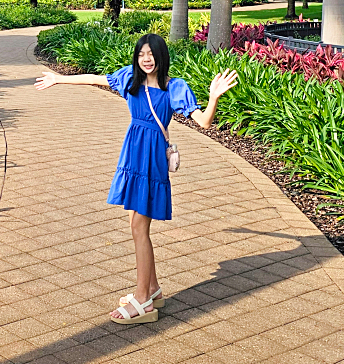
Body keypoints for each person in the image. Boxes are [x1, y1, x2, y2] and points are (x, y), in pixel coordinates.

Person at [34, 32, 238, 324]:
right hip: (133, 153)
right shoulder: (130, 78)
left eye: (151, 54)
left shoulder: (174, 88)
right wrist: (59, 78)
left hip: (151, 159)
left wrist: (213, 98)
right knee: (134, 222)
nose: (146, 59)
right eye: (142, 54)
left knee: (139, 228)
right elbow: (96, 79)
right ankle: (152, 289)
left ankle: (143, 300)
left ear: (161, 56)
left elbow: (204, 122)